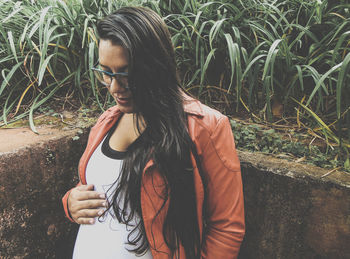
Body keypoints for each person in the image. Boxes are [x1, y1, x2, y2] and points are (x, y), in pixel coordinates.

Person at [62, 6, 245, 259]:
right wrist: (71, 202)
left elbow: (227, 227)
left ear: (155, 66)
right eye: (106, 72)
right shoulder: (107, 120)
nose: (115, 87)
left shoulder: (206, 127)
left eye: (126, 73)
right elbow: (99, 189)